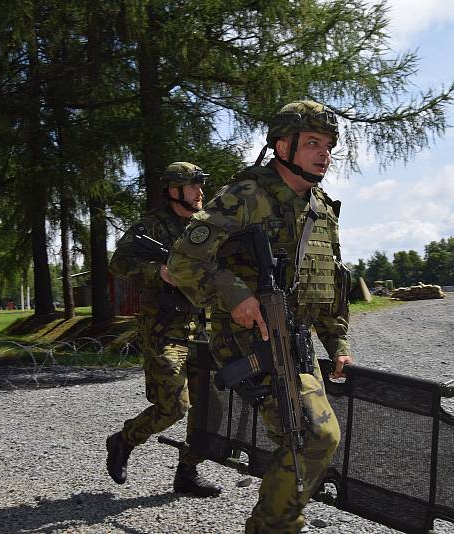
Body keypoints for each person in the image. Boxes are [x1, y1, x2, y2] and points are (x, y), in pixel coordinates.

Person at [167, 101, 354, 533]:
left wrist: (338, 343)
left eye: (328, 145)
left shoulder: (321, 207)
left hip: (294, 339)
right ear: (282, 145)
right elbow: (182, 261)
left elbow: (327, 284)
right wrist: (235, 293)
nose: (323, 153)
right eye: (312, 143)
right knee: (312, 436)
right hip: (246, 339)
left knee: (309, 438)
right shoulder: (248, 197)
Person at [105, 161, 222, 498]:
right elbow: (119, 263)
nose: (201, 191)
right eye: (193, 186)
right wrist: (160, 272)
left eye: (201, 185)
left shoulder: (205, 226)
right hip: (164, 327)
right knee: (174, 405)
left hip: (203, 325)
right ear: (174, 191)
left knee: (210, 407)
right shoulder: (152, 226)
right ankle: (123, 440)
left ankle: (188, 472)